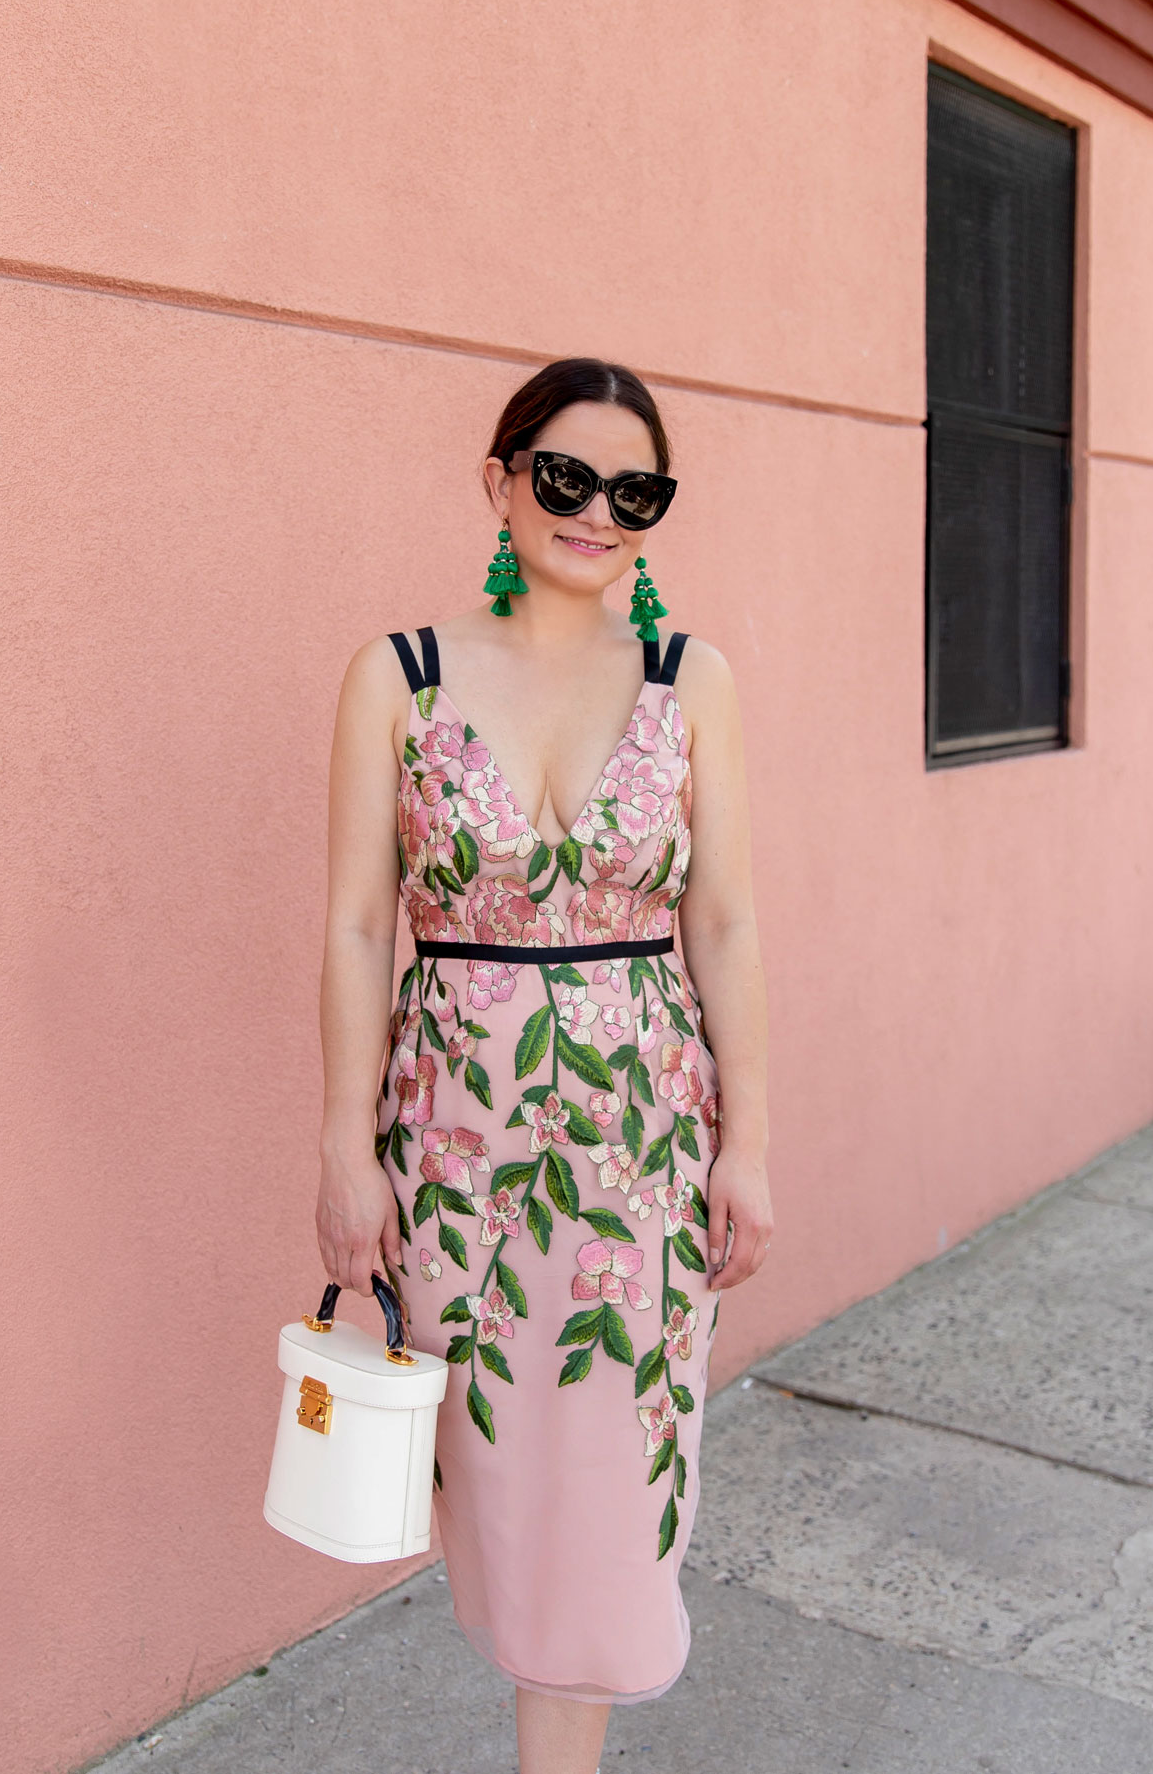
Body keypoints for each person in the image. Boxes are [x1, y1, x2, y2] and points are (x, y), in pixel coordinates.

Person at [316, 357, 774, 1774]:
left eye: (634, 489)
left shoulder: (690, 676)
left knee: (618, 1503)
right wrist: (341, 1146)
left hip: (644, 1151)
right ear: (500, 478)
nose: (594, 511)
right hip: (459, 1155)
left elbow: (727, 915)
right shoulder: (399, 676)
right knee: (511, 1502)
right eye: (564, 476)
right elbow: (352, 920)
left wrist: (750, 1137)